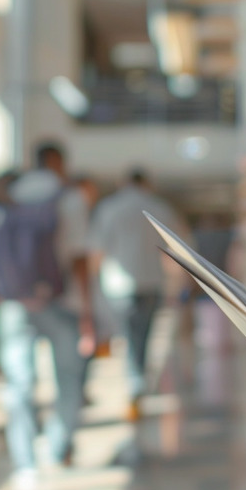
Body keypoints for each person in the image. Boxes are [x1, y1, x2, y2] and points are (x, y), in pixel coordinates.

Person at [0, 140, 93, 474]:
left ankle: (24, 457)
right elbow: (79, 258)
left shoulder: (8, 196)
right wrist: (88, 314)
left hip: (15, 303)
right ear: (56, 163)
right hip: (60, 300)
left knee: (19, 382)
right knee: (68, 377)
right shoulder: (70, 199)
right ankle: (59, 445)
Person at [88, 168, 187, 421]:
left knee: (129, 338)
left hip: (118, 287)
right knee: (143, 338)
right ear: (146, 183)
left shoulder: (109, 208)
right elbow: (177, 248)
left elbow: (97, 251)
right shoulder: (159, 207)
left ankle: (136, 386)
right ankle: (138, 383)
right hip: (152, 283)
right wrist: (179, 284)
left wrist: (92, 287)